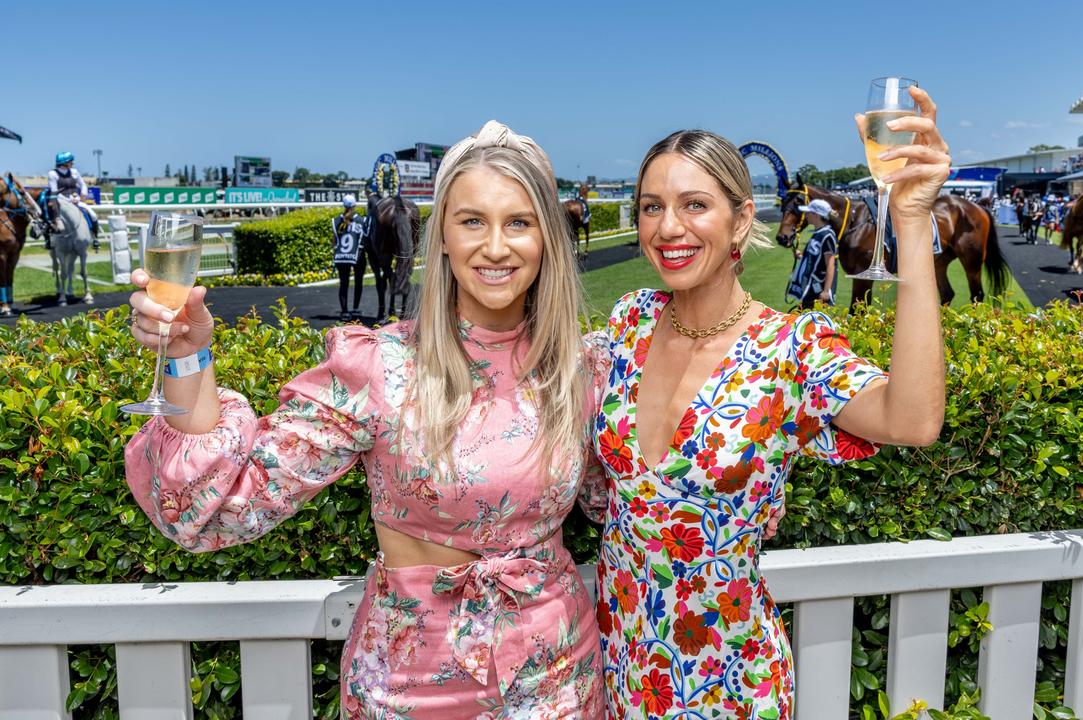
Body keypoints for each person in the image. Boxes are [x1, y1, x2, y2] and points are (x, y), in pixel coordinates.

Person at [123, 120, 608, 718]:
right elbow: (221, 510)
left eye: (519, 222)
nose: (497, 246)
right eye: (473, 220)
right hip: (412, 683)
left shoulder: (579, 370)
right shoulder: (382, 366)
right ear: (443, 238)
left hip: (562, 677)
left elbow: (632, 504)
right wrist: (186, 355)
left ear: (546, 239)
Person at [593, 86, 948, 719]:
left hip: (729, 680)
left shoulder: (791, 348)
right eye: (652, 207)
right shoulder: (629, 323)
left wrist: (912, 223)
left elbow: (912, 420)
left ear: (739, 218)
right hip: (619, 662)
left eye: (694, 205)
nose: (668, 227)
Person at [784, 197, 839, 309]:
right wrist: (800, 256)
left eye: (808, 212)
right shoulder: (818, 233)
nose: (806, 215)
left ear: (816, 215)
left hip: (818, 290)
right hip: (810, 289)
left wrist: (826, 291)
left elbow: (830, 265)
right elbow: (815, 259)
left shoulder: (827, 235)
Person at [43, 151, 100, 249]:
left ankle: (95, 237)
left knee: (93, 215)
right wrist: (58, 201)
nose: (72, 163)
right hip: (61, 201)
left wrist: (83, 195)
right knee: (49, 217)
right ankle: (49, 240)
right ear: (64, 162)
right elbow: (53, 191)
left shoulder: (74, 172)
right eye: (70, 161)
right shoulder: (52, 174)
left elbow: (83, 185)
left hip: (76, 200)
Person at [332, 193, 371, 321]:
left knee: (344, 283)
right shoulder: (362, 220)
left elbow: (334, 241)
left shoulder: (336, 221)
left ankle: (344, 312)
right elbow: (366, 239)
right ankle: (355, 309)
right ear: (355, 205)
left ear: (343, 205)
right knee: (358, 282)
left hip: (341, 257)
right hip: (357, 255)